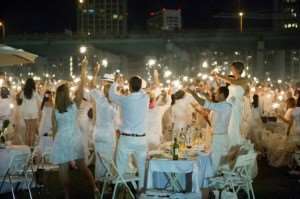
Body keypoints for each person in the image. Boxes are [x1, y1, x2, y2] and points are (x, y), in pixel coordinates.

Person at [51, 59, 98, 199]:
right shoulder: (73, 105)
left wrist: (56, 144)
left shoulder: (55, 110)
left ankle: (67, 195)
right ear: (66, 94)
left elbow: (54, 130)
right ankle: (94, 187)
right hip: (74, 137)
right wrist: (83, 69)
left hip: (62, 139)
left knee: (63, 170)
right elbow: (82, 86)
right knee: (83, 167)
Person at [109, 75, 149, 192]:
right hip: (141, 139)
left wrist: (116, 83)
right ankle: (141, 191)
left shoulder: (124, 99)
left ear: (130, 87)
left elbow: (111, 95)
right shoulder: (145, 98)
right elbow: (142, 90)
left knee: (120, 168)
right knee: (141, 167)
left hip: (126, 139)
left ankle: (119, 191)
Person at [189, 86, 232, 172]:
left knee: (216, 162)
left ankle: (218, 181)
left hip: (219, 139)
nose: (215, 94)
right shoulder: (224, 105)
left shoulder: (223, 106)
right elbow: (210, 102)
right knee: (219, 161)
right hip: (221, 137)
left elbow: (204, 103)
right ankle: (220, 179)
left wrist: (193, 93)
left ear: (222, 95)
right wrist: (202, 93)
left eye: (217, 93)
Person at [214, 62, 248, 147]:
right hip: (228, 106)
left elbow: (232, 81)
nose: (231, 71)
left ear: (237, 69)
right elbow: (224, 85)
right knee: (227, 127)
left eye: (232, 69)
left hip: (236, 107)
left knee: (233, 127)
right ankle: (227, 146)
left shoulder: (244, 80)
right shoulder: (231, 79)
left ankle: (234, 146)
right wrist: (216, 78)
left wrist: (218, 75)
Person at [19, 78, 41, 146]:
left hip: (26, 112)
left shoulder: (23, 92)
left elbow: (19, 99)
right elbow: (40, 100)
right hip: (33, 112)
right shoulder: (35, 92)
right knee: (33, 131)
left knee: (27, 130)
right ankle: (31, 148)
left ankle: (27, 148)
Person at [37, 90, 54, 156]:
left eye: (51, 95)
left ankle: (44, 153)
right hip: (47, 121)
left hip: (45, 121)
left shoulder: (43, 103)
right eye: (50, 95)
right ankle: (47, 153)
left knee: (45, 137)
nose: (51, 96)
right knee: (47, 136)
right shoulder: (48, 103)